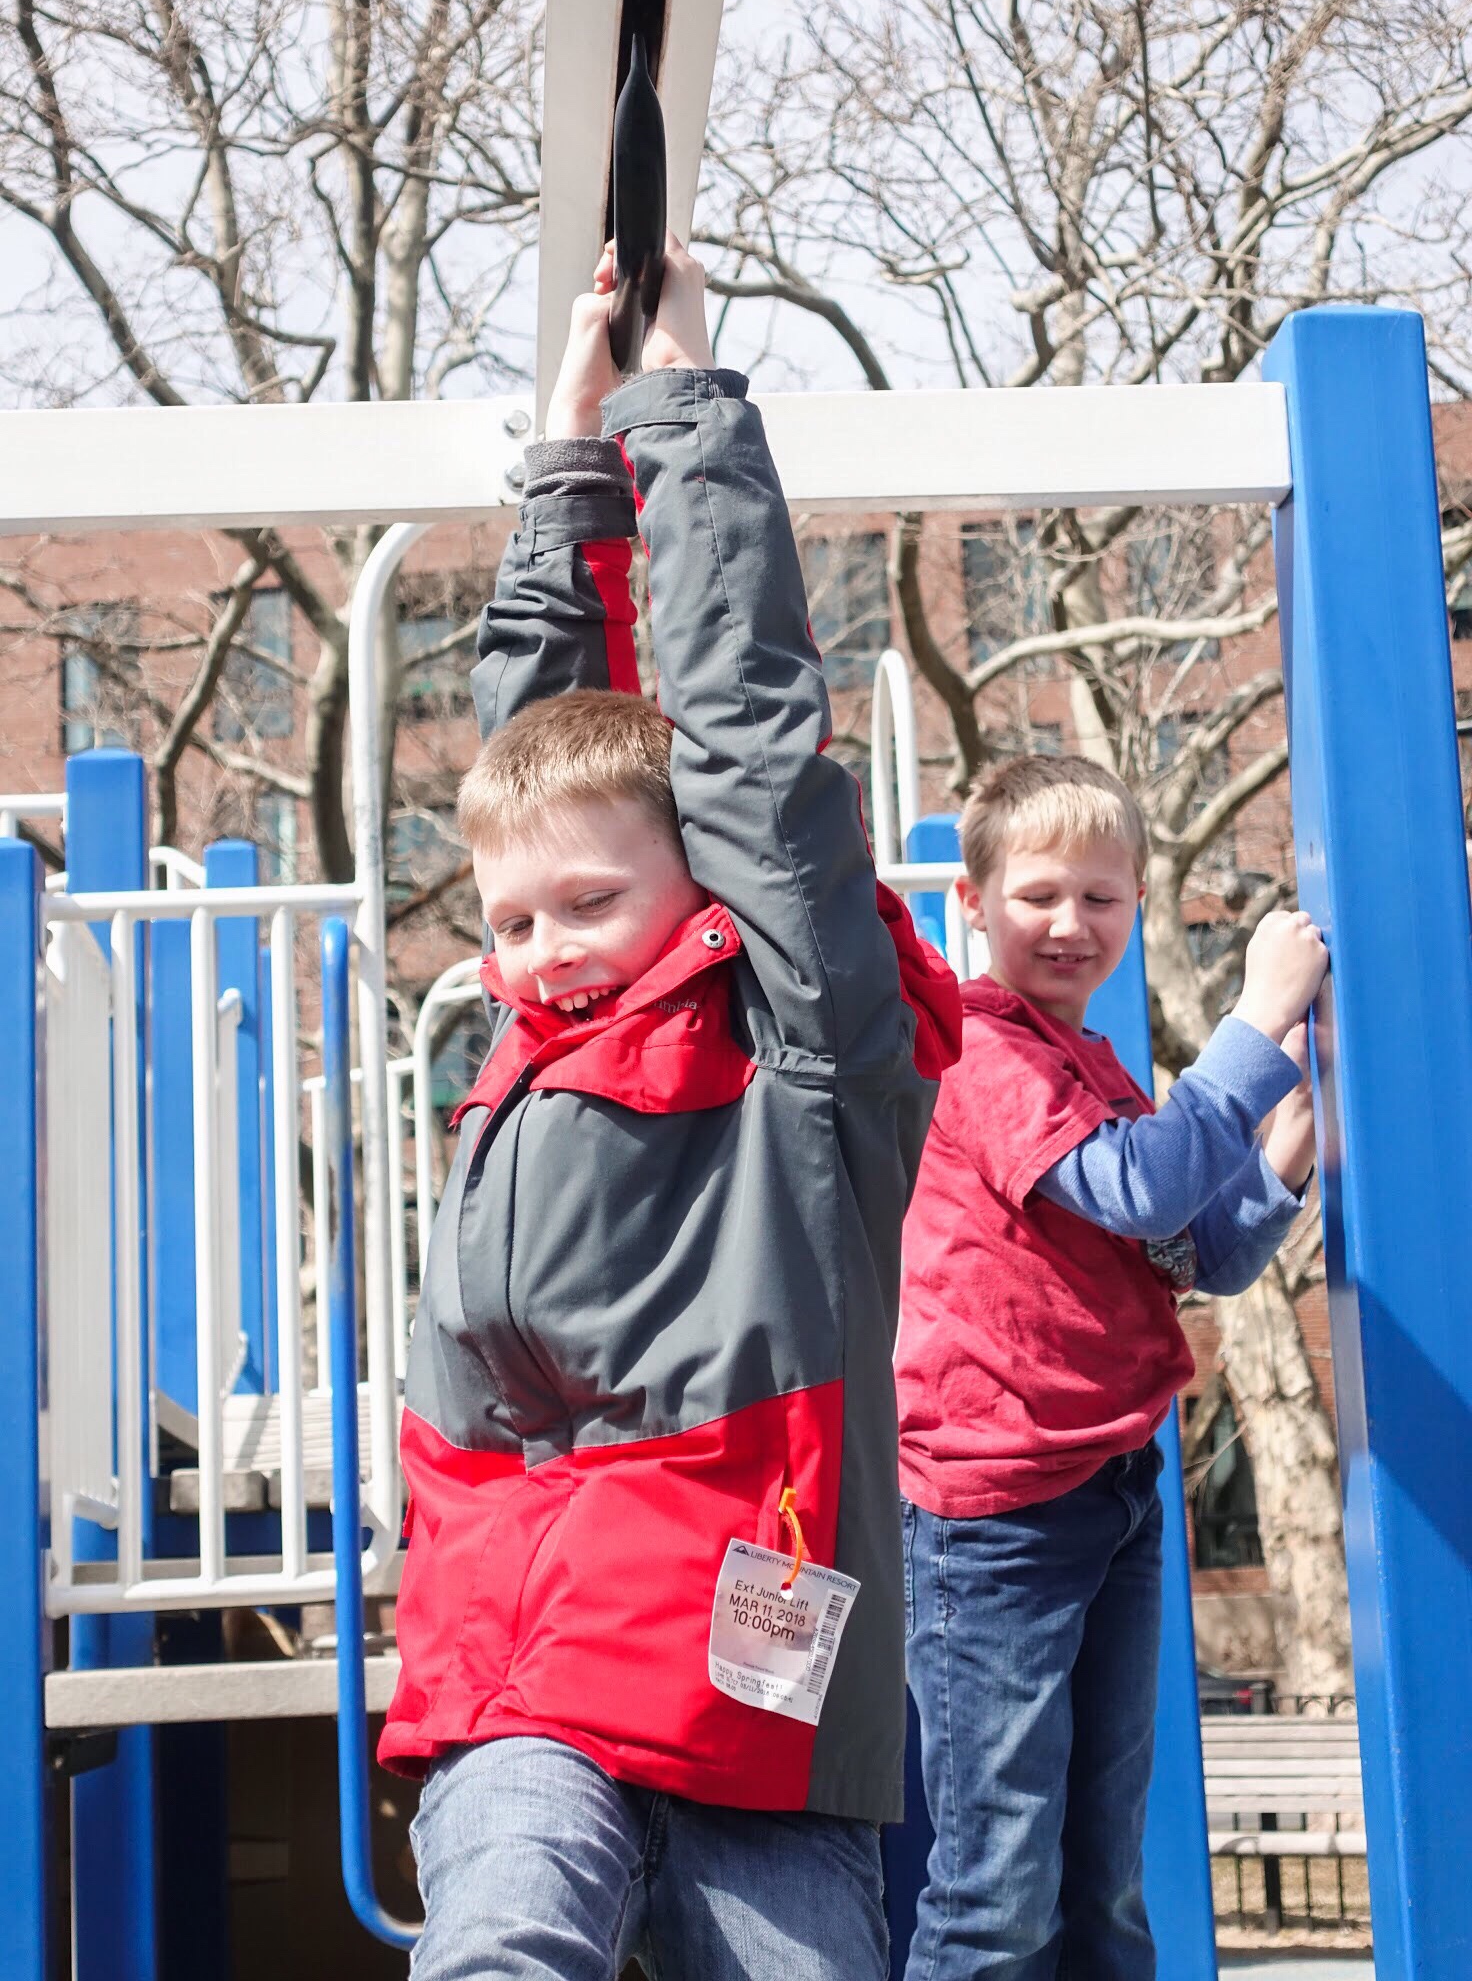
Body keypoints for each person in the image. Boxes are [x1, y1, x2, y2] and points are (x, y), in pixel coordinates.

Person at [381, 236, 962, 1981]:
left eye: (586, 912)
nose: (539, 950)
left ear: (706, 898)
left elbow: (740, 734)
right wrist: (567, 466)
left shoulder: (790, 1040)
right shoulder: (530, 1038)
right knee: (508, 1934)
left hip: (740, 1698)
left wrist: (683, 413)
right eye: (507, 922)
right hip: (524, 1667)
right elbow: (544, 753)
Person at [892, 753, 1326, 1981]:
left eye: (1099, 897)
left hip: (1110, 1483)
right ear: (970, 904)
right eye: (1035, 894)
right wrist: (1255, 1023)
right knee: (996, 1893)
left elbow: (1183, 1255)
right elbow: (1136, 1184)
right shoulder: (979, 1049)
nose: (1069, 924)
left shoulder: (1088, 1065)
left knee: (1104, 1881)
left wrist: (1277, 1159)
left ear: (1135, 905)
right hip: (992, 1515)